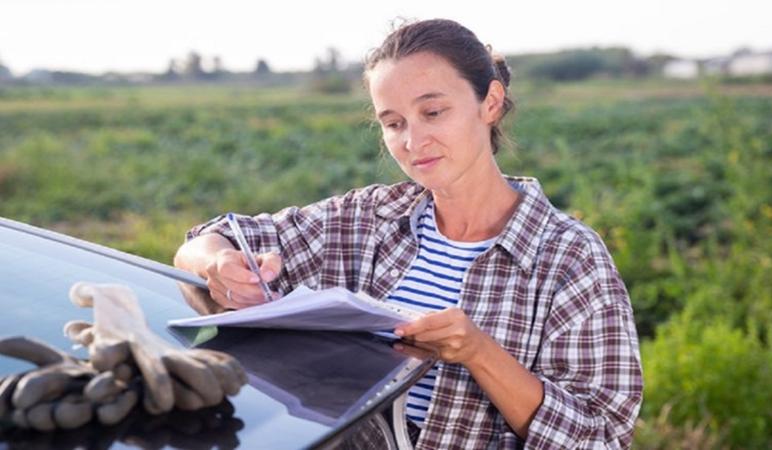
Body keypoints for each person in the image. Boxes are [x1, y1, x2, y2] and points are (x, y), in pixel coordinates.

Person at [174, 18, 643, 450]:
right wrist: (218, 263)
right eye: (393, 123)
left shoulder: (570, 258)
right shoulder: (365, 218)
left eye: (433, 112)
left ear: (491, 103)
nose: (413, 143)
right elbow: (207, 239)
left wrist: (480, 354)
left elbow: (600, 436)